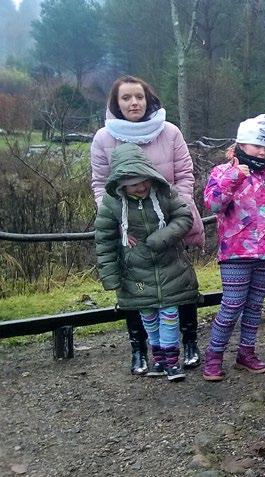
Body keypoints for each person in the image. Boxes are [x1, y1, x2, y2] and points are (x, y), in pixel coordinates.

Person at [90, 75, 203, 374]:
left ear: (148, 98)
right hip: (129, 228)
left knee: (180, 283)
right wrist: (114, 215)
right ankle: (140, 348)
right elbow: (100, 183)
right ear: (116, 103)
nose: (133, 102)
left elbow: (185, 174)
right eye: (125, 98)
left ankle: (189, 342)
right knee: (135, 289)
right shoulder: (104, 137)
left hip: (169, 221)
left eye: (138, 96)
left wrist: (178, 207)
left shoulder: (169, 132)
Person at [201, 114, 265, 381]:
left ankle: (246, 353)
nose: (262, 151)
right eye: (257, 145)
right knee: (232, 304)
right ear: (241, 144)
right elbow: (213, 204)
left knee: (255, 305)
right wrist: (234, 177)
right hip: (235, 252)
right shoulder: (222, 172)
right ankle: (214, 356)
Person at [95, 144, 199, 381]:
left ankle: (172, 361)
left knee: (170, 313)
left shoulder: (165, 193)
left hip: (170, 268)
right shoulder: (111, 206)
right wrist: (110, 276)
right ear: (121, 185)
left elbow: (184, 216)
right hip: (136, 276)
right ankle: (159, 358)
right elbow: (104, 242)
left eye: (144, 181)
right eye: (133, 184)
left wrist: (160, 238)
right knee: (149, 316)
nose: (141, 187)